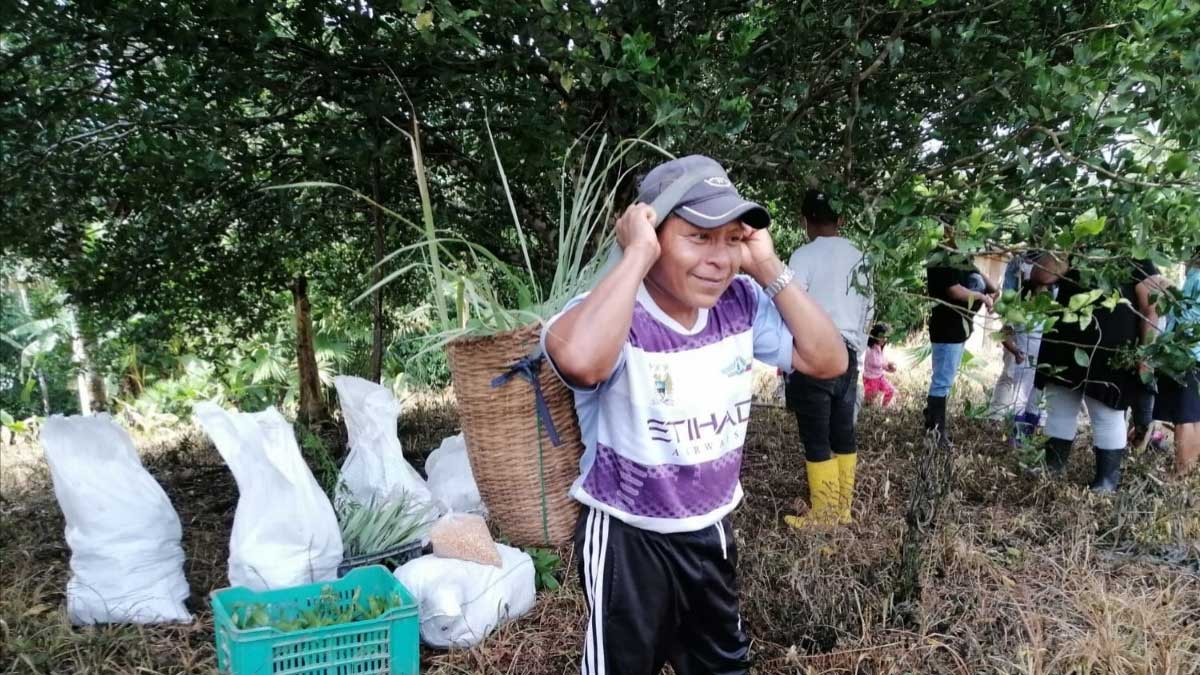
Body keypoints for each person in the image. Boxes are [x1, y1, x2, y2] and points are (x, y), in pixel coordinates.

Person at [541, 155, 846, 675]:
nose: (719, 259)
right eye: (699, 237)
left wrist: (767, 266)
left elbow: (828, 360)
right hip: (629, 540)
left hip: (710, 529)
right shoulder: (610, 312)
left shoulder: (740, 302)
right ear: (653, 233)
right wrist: (637, 254)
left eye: (732, 239)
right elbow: (582, 362)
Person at [782, 189, 873, 528]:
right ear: (841, 220)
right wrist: (856, 350)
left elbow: (790, 304)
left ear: (804, 221)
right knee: (843, 431)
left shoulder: (802, 256)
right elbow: (869, 307)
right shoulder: (862, 256)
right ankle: (842, 510)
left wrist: (788, 354)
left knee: (816, 436)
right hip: (847, 353)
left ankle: (822, 517)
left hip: (813, 352)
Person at [1035, 255, 1161, 492]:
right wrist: (1067, 247)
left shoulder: (1136, 255)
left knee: (1107, 412)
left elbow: (1151, 307)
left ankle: (1106, 481)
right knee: (1059, 407)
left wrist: (1147, 355)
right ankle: (1052, 469)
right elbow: (1042, 276)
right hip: (1065, 341)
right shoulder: (1075, 246)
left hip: (1111, 350)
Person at [924, 227, 999, 443]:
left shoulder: (960, 256)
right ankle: (935, 432)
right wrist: (981, 297)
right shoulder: (941, 257)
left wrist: (990, 288)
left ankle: (932, 418)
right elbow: (954, 290)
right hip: (946, 327)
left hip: (959, 328)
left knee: (944, 379)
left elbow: (986, 282)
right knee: (942, 381)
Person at [987, 251, 1061, 440]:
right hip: (1024, 366)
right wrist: (1016, 351)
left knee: (1036, 403)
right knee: (1019, 401)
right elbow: (1004, 333)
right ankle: (1016, 441)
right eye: (1042, 289)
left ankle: (1028, 440)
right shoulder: (1019, 311)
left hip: (1040, 367)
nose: (1045, 293)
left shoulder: (1050, 314)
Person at [1154, 248, 1200, 477]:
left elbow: (1190, 317)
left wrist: (1170, 292)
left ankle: (1183, 473)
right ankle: (1188, 473)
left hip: (1189, 354)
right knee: (1192, 416)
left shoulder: (1198, 277)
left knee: (1186, 418)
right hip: (1191, 354)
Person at [863, 323, 897, 407]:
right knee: (870, 400)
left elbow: (882, 361)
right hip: (870, 378)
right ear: (875, 336)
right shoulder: (870, 349)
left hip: (879, 377)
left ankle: (883, 408)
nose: (884, 339)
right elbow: (874, 362)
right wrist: (887, 364)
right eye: (882, 337)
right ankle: (867, 409)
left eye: (885, 337)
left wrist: (889, 368)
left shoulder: (880, 348)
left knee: (890, 390)